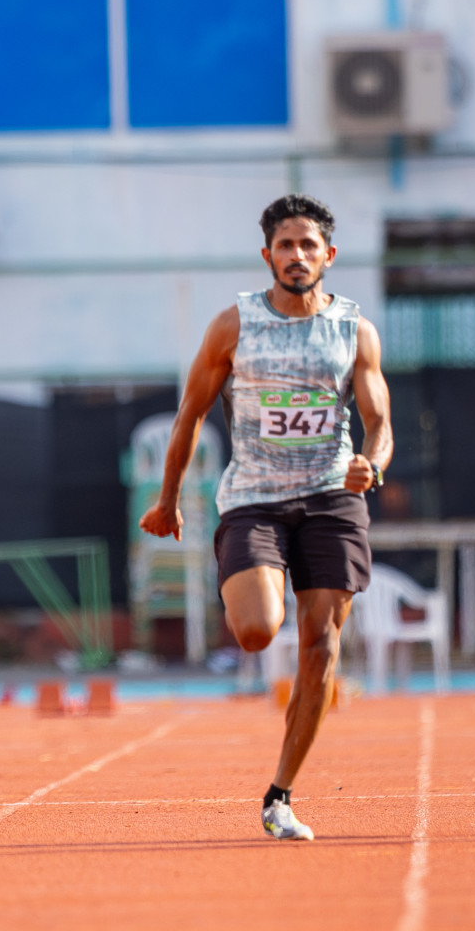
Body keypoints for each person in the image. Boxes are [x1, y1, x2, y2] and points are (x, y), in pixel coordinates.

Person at [140, 194, 392, 841]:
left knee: (321, 647)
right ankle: (248, 581)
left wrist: (371, 462)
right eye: (286, 245)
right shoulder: (234, 326)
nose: (298, 255)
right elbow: (191, 414)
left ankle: (280, 795)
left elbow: (380, 421)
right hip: (253, 497)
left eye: (309, 245)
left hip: (333, 499)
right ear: (268, 256)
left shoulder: (354, 332)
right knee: (255, 631)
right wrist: (169, 500)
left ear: (328, 256)